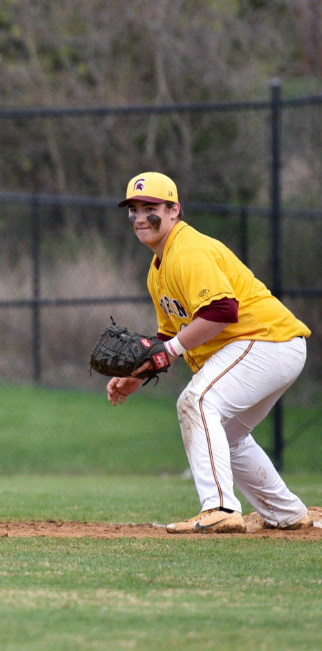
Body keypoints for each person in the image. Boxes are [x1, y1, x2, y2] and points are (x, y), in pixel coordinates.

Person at [107, 172, 314, 534]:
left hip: (266, 340)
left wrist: (167, 353)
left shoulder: (189, 251)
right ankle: (287, 512)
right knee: (225, 437)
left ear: (174, 210)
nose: (140, 217)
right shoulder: (158, 270)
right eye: (134, 209)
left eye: (151, 208)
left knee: (197, 402)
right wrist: (135, 375)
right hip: (270, 347)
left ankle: (219, 507)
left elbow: (222, 312)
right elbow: (167, 336)